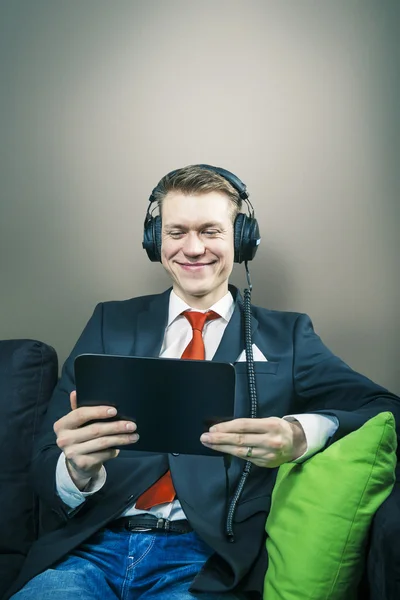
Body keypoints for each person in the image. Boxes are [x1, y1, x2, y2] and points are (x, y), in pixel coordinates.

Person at [7, 165, 400, 600]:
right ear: (155, 241)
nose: (193, 249)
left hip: (203, 561)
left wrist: (297, 434)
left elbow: (385, 408)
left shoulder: (288, 336)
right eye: (176, 232)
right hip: (89, 552)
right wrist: (75, 470)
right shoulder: (109, 322)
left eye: (211, 231)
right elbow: (44, 459)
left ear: (242, 238)